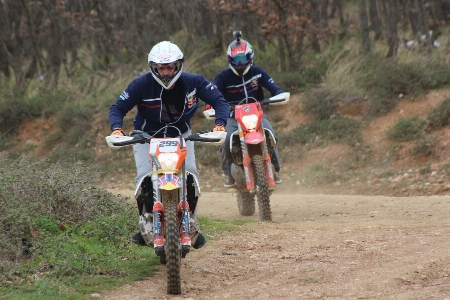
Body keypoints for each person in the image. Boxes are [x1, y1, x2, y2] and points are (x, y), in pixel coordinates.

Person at [108, 41, 228, 249]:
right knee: (145, 176)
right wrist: (117, 129)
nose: (165, 72)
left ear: (178, 66)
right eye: (161, 68)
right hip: (146, 136)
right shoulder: (141, 84)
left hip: (181, 136)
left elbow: (220, 101)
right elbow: (118, 107)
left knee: (189, 174)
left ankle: (190, 222)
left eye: (170, 67)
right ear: (154, 68)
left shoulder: (194, 82)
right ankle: (145, 221)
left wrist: (220, 124)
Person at [213, 31, 284, 188]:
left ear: (250, 56)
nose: (240, 62)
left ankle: (274, 169)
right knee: (226, 140)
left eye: (243, 58)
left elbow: (274, 88)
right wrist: (211, 107)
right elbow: (213, 94)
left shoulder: (258, 73)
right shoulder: (223, 77)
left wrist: (279, 95)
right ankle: (229, 175)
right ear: (230, 59)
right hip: (232, 116)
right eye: (236, 59)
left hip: (256, 114)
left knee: (271, 135)